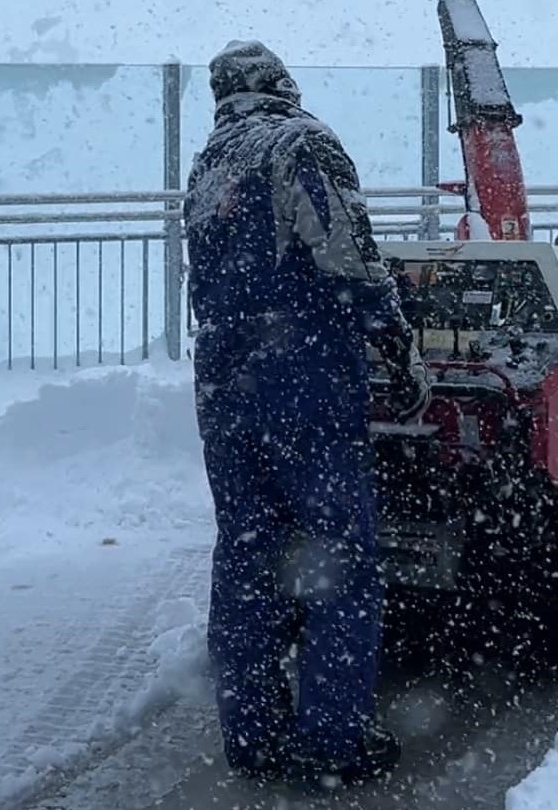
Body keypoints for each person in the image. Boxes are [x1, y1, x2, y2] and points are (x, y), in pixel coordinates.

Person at [183, 39, 430, 785]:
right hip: (304, 378)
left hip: (225, 387)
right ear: (279, 84)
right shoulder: (302, 143)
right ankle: (330, 743)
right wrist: (395, 343)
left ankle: (252, 737)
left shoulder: (206, 165)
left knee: (246, 556)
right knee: (339, 559)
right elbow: (348, 256)